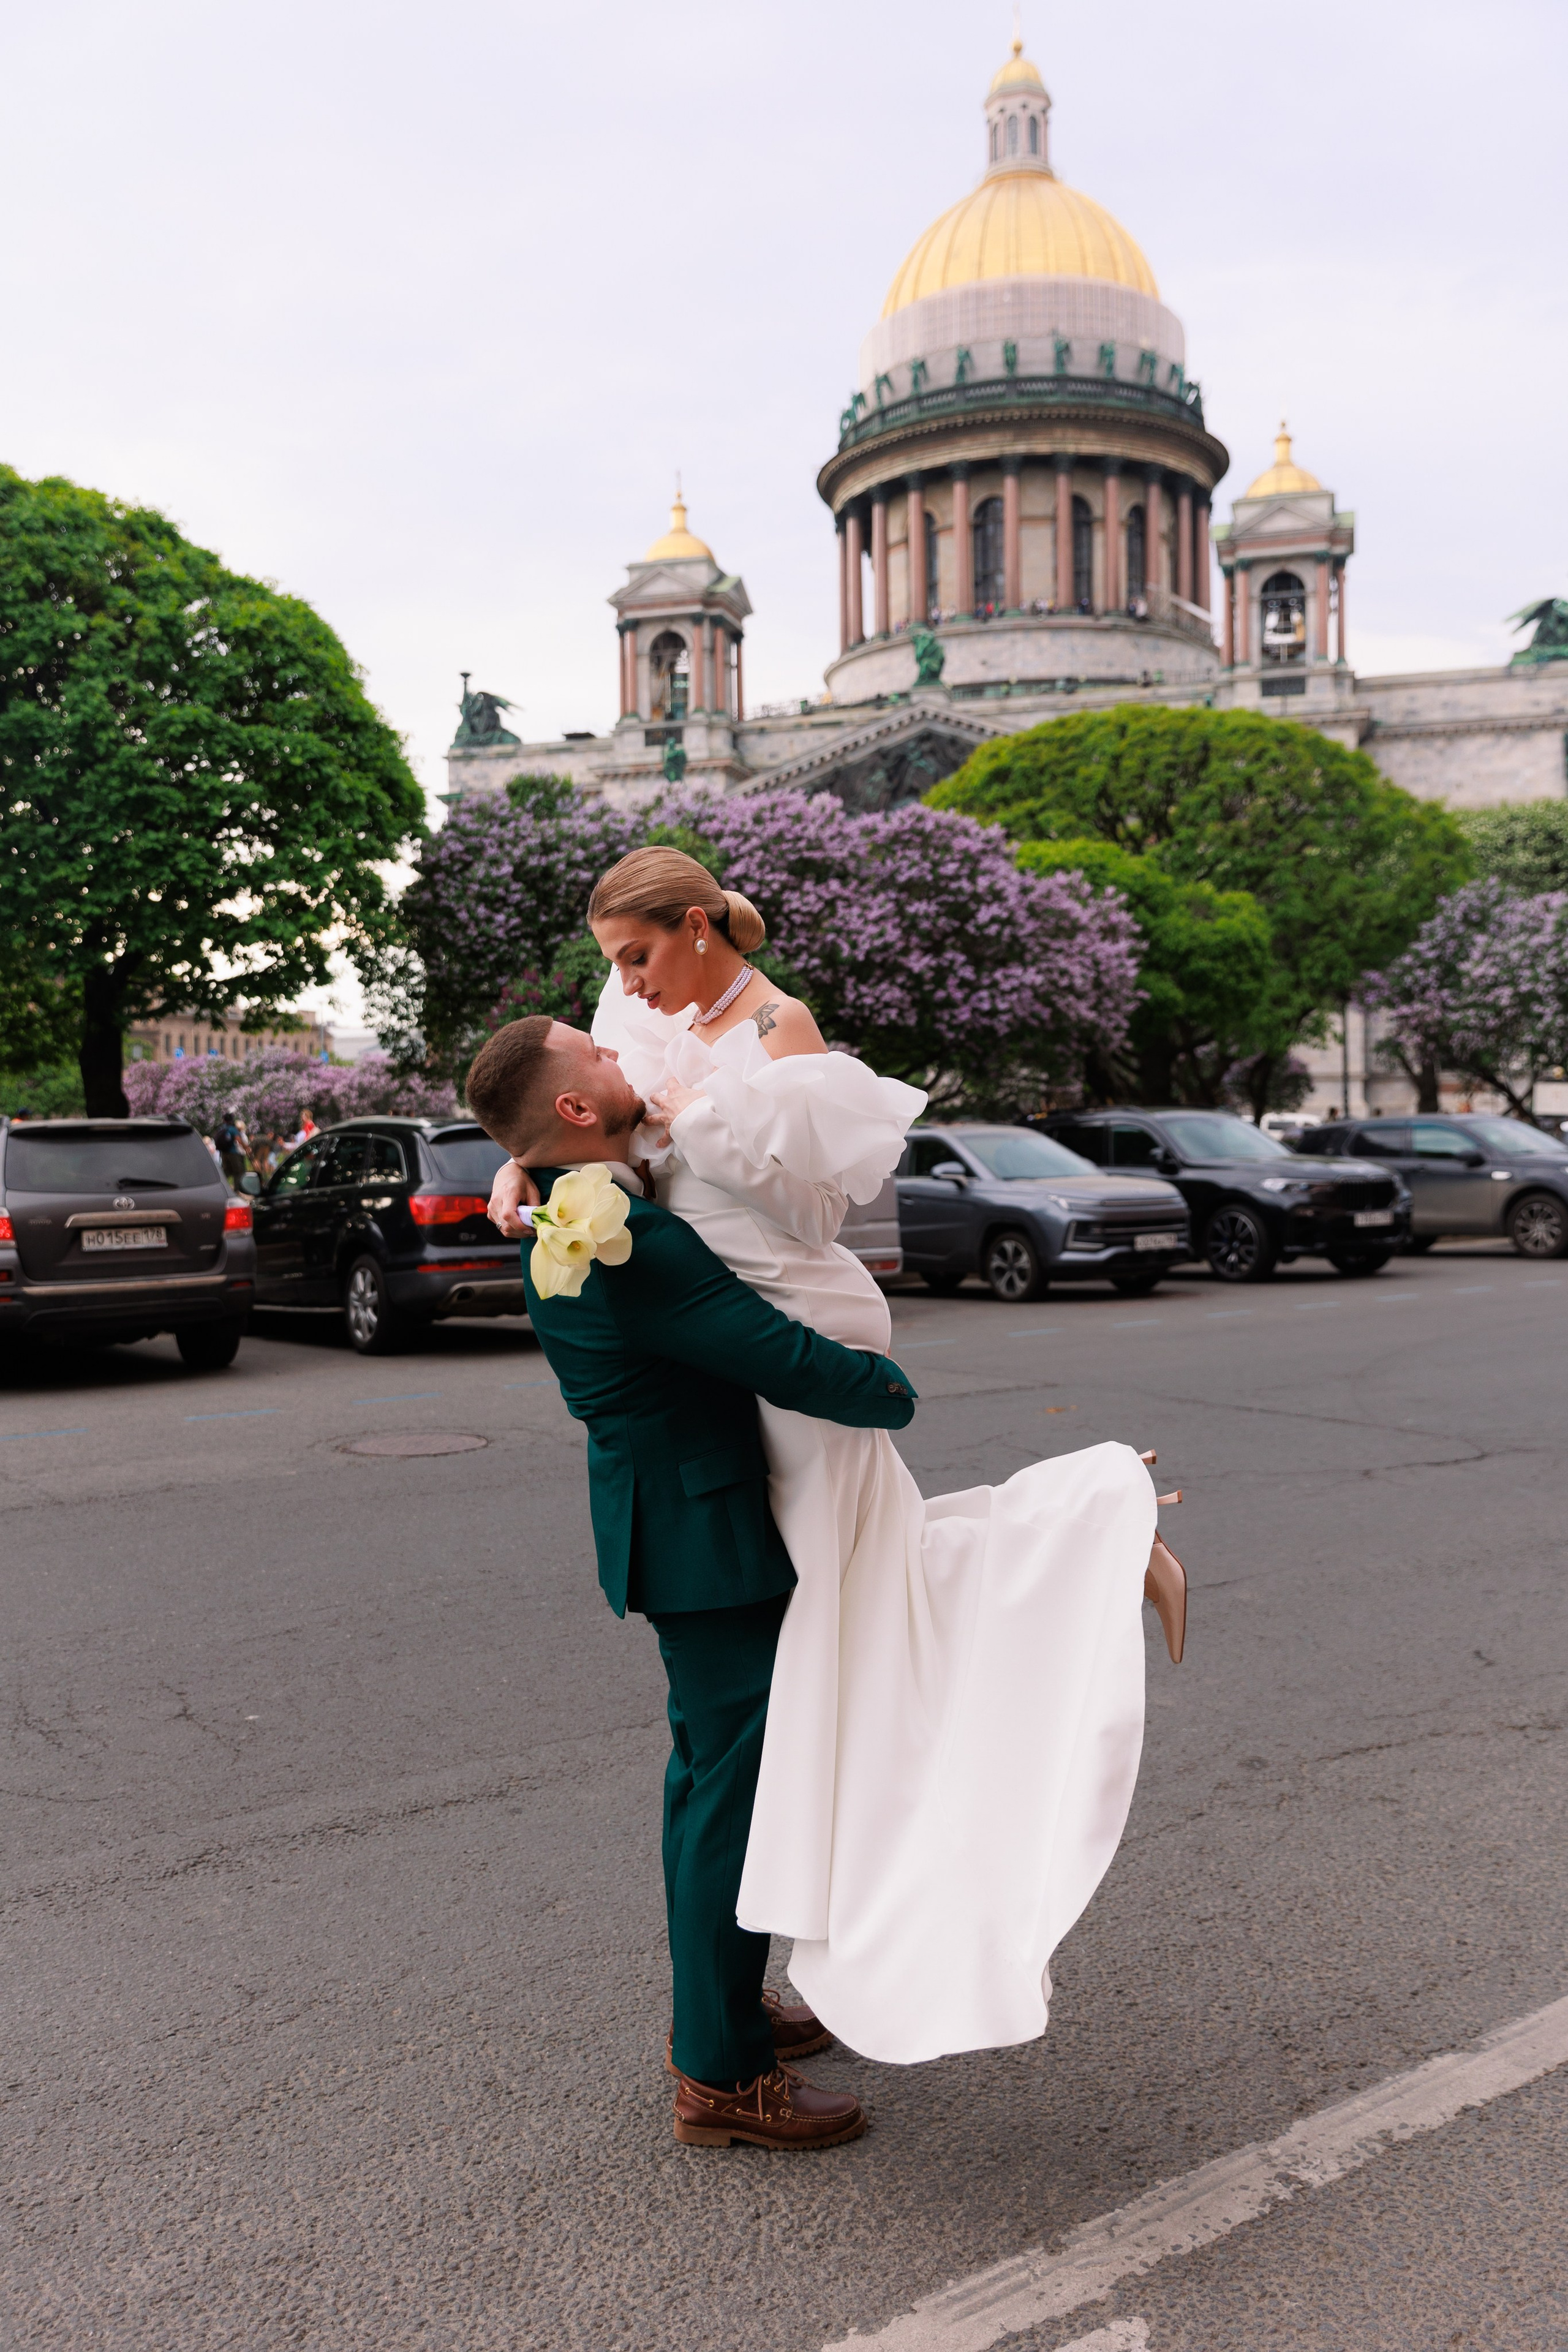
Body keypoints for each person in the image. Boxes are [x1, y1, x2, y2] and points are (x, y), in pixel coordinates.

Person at [488, 846, 1187, 2072]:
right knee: (840, 1658)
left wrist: (602, 1140)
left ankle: (1099, 1538)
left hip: (748, 1416)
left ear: (698, 923)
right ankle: (720, 2053)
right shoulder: (613, 1164)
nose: (626, 1006)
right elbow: (602, 1143)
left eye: (636, 960)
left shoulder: (762, 1038)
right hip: (734, 1443)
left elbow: (800, 1202)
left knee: (848, 1646)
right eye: (612, 981)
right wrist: (532, 1157)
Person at [465, 1013, 919, 2151]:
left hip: (668, 1527)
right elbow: (779, 1356)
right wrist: (891, 1390)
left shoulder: (579, 1205)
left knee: (704, 1787)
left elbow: (596, 1133)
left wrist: (521, 1157)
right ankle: (720, 2075)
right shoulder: (628, 1241)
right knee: (732, 1800)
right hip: (708, 1541)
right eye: (601, 1056)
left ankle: (724, 2011)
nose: (626, 1059)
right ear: (574, 1111)